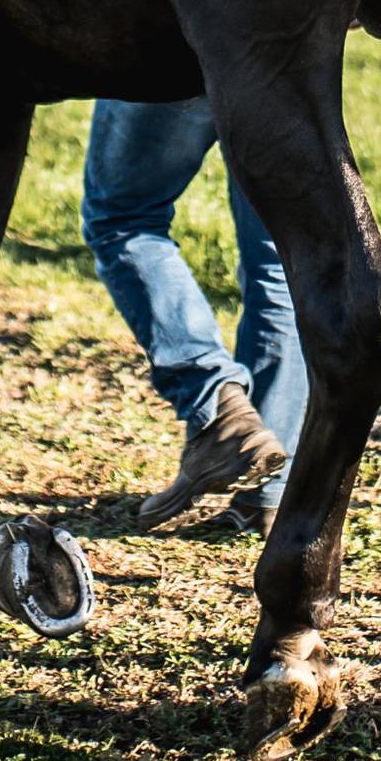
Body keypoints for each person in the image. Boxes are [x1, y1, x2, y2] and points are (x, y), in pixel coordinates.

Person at [79, 95, 307, 530]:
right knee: (276, 257)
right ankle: (265, 493)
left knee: (122, 217)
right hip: (292, 55)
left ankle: (217, 403)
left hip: (177, 46)